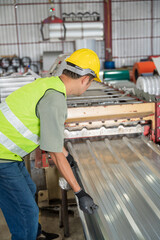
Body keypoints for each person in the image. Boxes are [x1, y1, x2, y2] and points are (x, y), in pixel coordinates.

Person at [0, 48, 100, 240]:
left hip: (7, 154)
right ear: (86, 78)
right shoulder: (55, 99)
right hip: (2, 158)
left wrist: (69, 157)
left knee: (29, 191)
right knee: (26, 212)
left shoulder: (50, 84)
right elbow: (54, 152)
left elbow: (50, 133)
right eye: (91, 82)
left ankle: (35, 234)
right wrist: (80, 193)